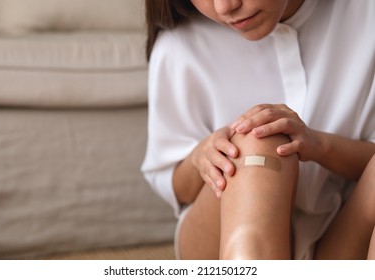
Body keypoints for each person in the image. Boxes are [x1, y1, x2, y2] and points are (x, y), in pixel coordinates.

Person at [141, 0, 375, 260]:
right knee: (256, 145)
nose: (224, 7)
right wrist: (201, 157)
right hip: (218, 242)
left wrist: (319, 146)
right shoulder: (180, 46)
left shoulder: (366, 16)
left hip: (343, 241)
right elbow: (175, 187)